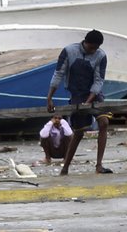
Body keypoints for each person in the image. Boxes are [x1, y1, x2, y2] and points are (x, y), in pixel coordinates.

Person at [46, 29, 112, 176]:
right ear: (85, 42)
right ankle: (65, 167)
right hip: (77, 94)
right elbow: (58, 74)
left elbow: (98, 80)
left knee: (104, 123)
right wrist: (49, 97)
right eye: (91, 48)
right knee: (79, 132)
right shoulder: (69, 51)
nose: (93, 51)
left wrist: (89, 101)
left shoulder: (101, 56)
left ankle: (99, 165)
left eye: (96, 48)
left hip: (95, 94)